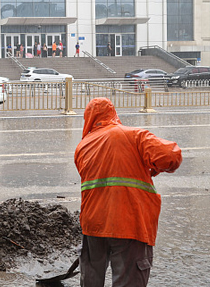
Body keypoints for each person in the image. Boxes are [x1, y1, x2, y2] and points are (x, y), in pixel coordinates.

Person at [74, 98, 182, 287]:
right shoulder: (134, 136)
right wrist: (155, 166)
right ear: (113, 113)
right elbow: (171, 156)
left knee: (91, 279)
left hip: (93, 225)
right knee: (128, 279)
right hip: (129, 222)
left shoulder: (82, 147)